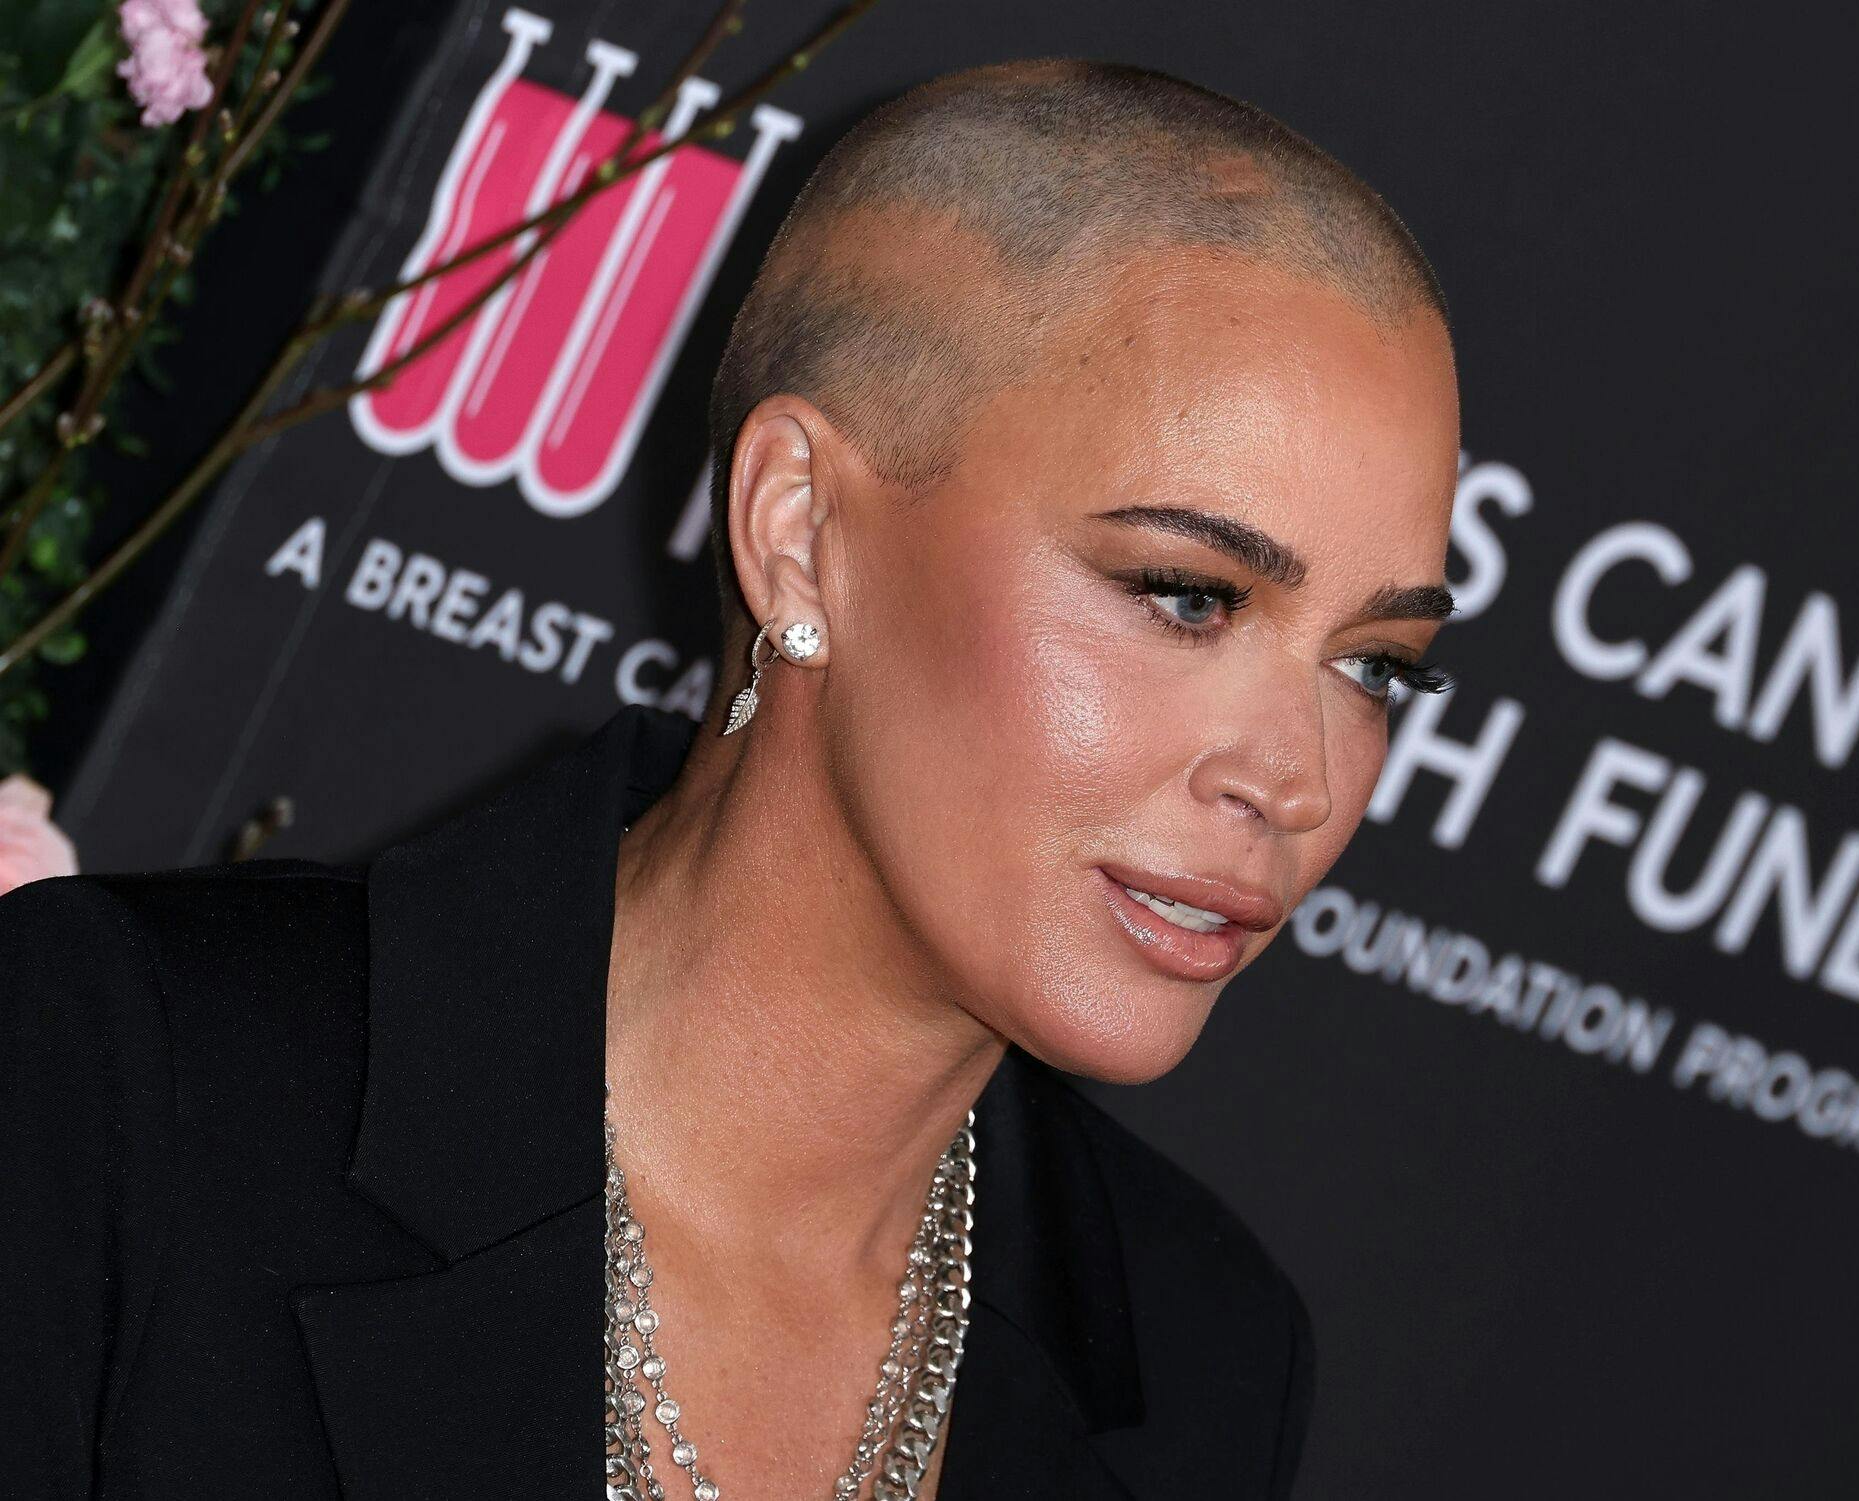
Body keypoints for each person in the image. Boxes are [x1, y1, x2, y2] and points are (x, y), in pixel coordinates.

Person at [0, 57, 1460, 1500]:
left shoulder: (1205, 1353)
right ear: (799, 530)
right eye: (1188, 595)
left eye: (1377, 665)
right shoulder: (126, 1085)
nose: (1299, 781)